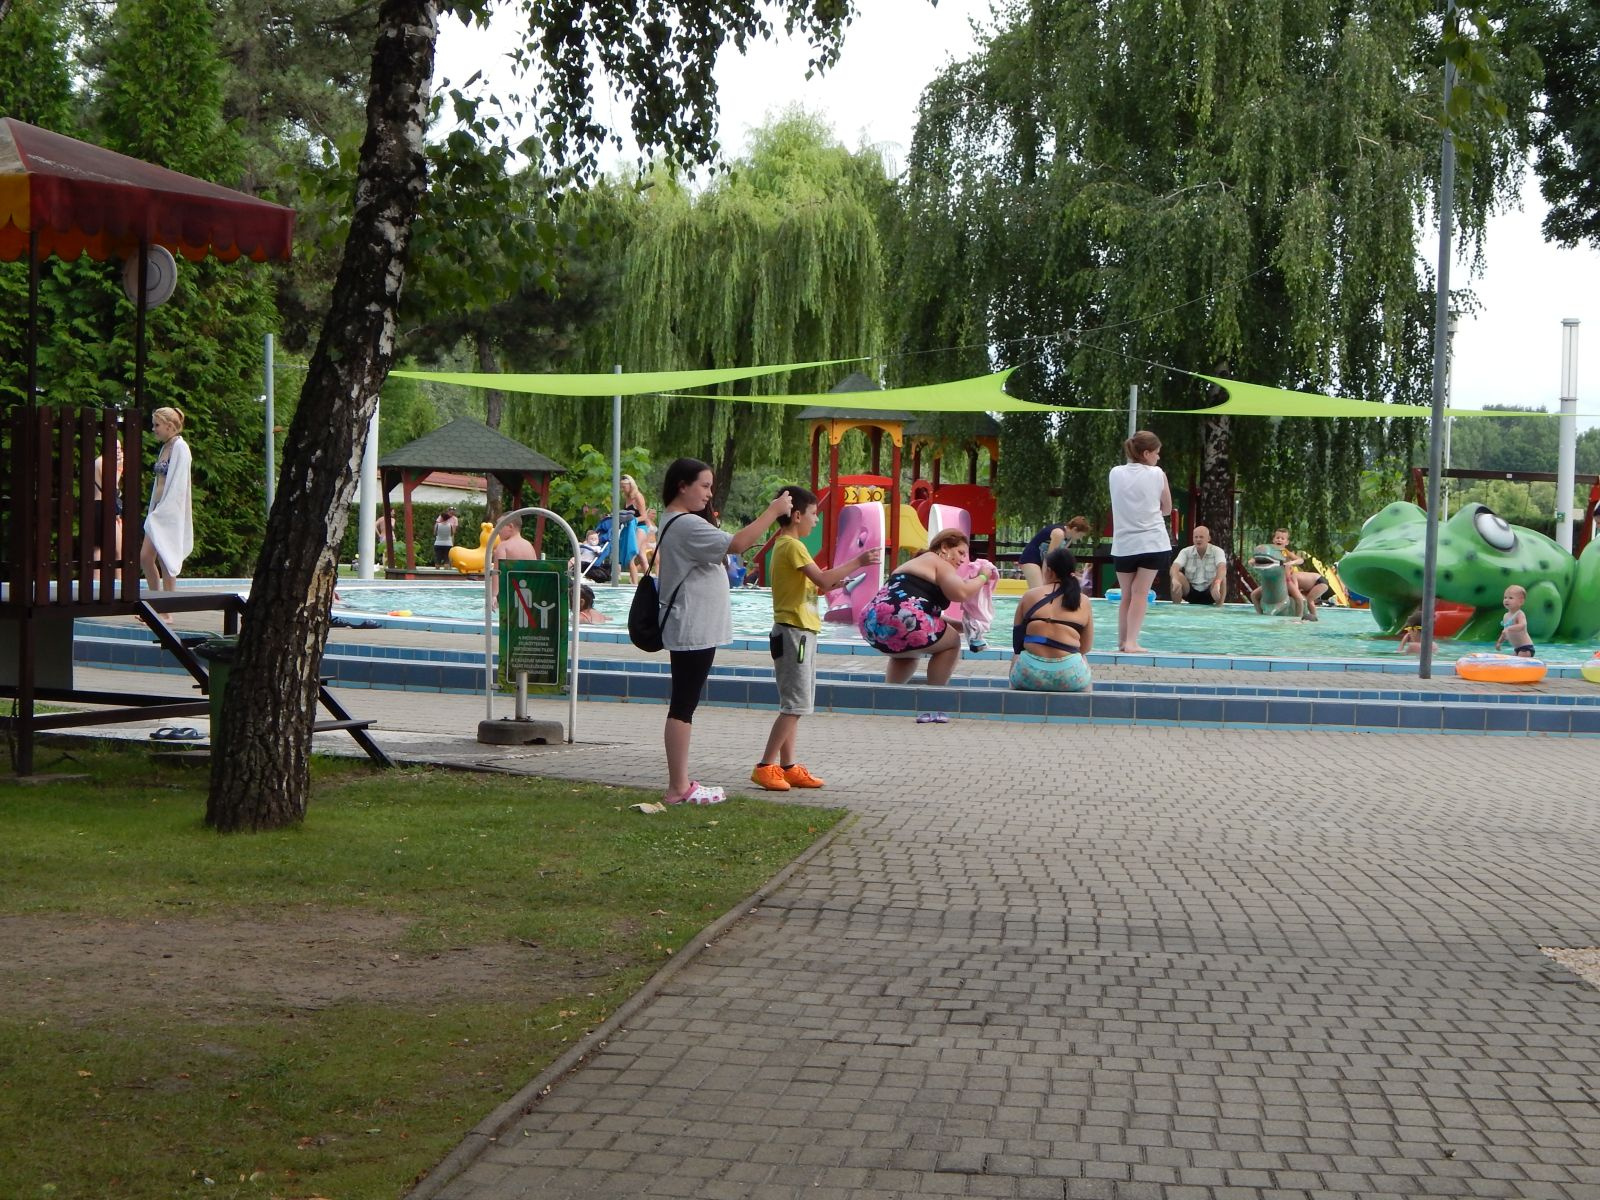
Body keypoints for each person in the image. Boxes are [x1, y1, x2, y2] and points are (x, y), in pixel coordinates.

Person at [655, 457, 794, 806]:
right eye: (704, 486)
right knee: (683, 705)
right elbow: (739, 543)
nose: (709, 493)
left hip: (694, 626)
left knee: (684, 703)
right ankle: (678, 787)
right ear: (682, 486)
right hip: (692, 627)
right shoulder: (685, 524)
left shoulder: (679, 521)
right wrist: (774, 510)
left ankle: (679, 783)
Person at [751, 486, 880, 791]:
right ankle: (765, 766)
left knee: (795, 704)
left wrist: (838, 581)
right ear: (797, 516)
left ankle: (788, 766)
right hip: (794, 633)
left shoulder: (788, 546)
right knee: (795, 704)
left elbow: (816, 585)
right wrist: (859, 561)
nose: (816, 520)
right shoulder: (792, 546)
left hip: (799, 632)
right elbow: (821, 578)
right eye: (813, 514)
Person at [858, 528, 995, 717]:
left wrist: (966, 627)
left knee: (906, 653)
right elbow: (961, 592)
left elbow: (918, 613)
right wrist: (983, 576)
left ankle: (887, 702)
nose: (963, 560)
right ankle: (933, 701)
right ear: (945, 547)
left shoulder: (915, 564)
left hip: (870, 623)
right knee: (952, 642)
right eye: (960, 553)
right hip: (904, 619)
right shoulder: (939, 562)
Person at [1108, 430, 1172, 653]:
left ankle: (1122, 641)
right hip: (1152, 542)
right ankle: (1132, 642)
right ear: (1146, 453)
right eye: (1157, 453)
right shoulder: (1157, 474)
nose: (1158, 457)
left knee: (1127, 594)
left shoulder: (1115, 473)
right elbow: (1167, 508)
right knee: (1140, 593)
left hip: (1123, 545)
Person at [1010, 545, 1094, 692]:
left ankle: (1010, 700)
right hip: (1070, 677)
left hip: (1028, 675)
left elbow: (1017, 644)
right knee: (1082, 659)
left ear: (1049, 571)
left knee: (1017, 656)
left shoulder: (1029, 596)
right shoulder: (1084, 601)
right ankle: (1087, 703)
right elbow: (1085, 648)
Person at [140, 406, 192, 591]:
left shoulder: (180, 447)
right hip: (157, 509)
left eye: (157, 425)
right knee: (146, 557)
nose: (154, 429)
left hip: (170, 510)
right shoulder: (165, 447)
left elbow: (179, 483)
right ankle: (156, 597)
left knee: (166, 558)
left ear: (169, 426)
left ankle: (168, 602)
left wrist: (166, 509)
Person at [1269, 527, 1328, 620]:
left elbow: (1300, 560)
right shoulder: (1271, 552)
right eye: (1277, 538)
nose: (1279, 540)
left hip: (1319, 582)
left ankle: (1311, 618)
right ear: (1273, 540)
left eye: (1282, 538)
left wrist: (1292, 562)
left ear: (1287, 542)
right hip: (1309, 583)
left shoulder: (1286, 555)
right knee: (1302, 597)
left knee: (1308, 600)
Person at [1017, 515, 1091, 589]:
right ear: (1075, 529)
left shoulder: (1069, 539)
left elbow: (1058, 558)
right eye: (1081, 535)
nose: (1080, 538)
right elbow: (1049, 558)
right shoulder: (1059, 533)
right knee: (1039, 589)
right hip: (1031, 559)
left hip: (1041, 560)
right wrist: (1045, 577)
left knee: (1045, 589)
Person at [1170, 525, 1228, 605]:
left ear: (1208, 538)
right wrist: (1175, 579)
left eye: (1201, 537)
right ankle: (1176, 607)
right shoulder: (1185, 551)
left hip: (1211, 592)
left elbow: (1222, 567)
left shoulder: (1217, 551)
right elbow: (1175, 566)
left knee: (1222, 578)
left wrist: (1217, 583)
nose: (1198, 539)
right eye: (1196, 537)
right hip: (1190, 592)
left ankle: (1219, 608)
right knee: (1176, 575)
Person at [90, 439, 124, 561]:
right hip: (103, 505)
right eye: (116, 448)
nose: (118, 452)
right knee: (117, 550)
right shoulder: (103, 462)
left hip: (98, 505)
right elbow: (112, 488)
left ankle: (97, 574)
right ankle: (117, 574)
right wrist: (119, 470)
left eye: (120, 449)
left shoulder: (99, 461)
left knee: (98, 548)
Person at [1495, 585, 1535, 657]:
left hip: (1526, 647)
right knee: (1512, 660)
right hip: (1517, 648)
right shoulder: (1505, 616)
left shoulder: (1519, 614)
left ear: (1520, 602)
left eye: (1511, 598)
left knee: (1519, 661)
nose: (1506, 600)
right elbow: (1505, 632)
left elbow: (1522, 625)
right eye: (1505, 597)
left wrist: (1509, 628)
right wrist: (1499, 642)